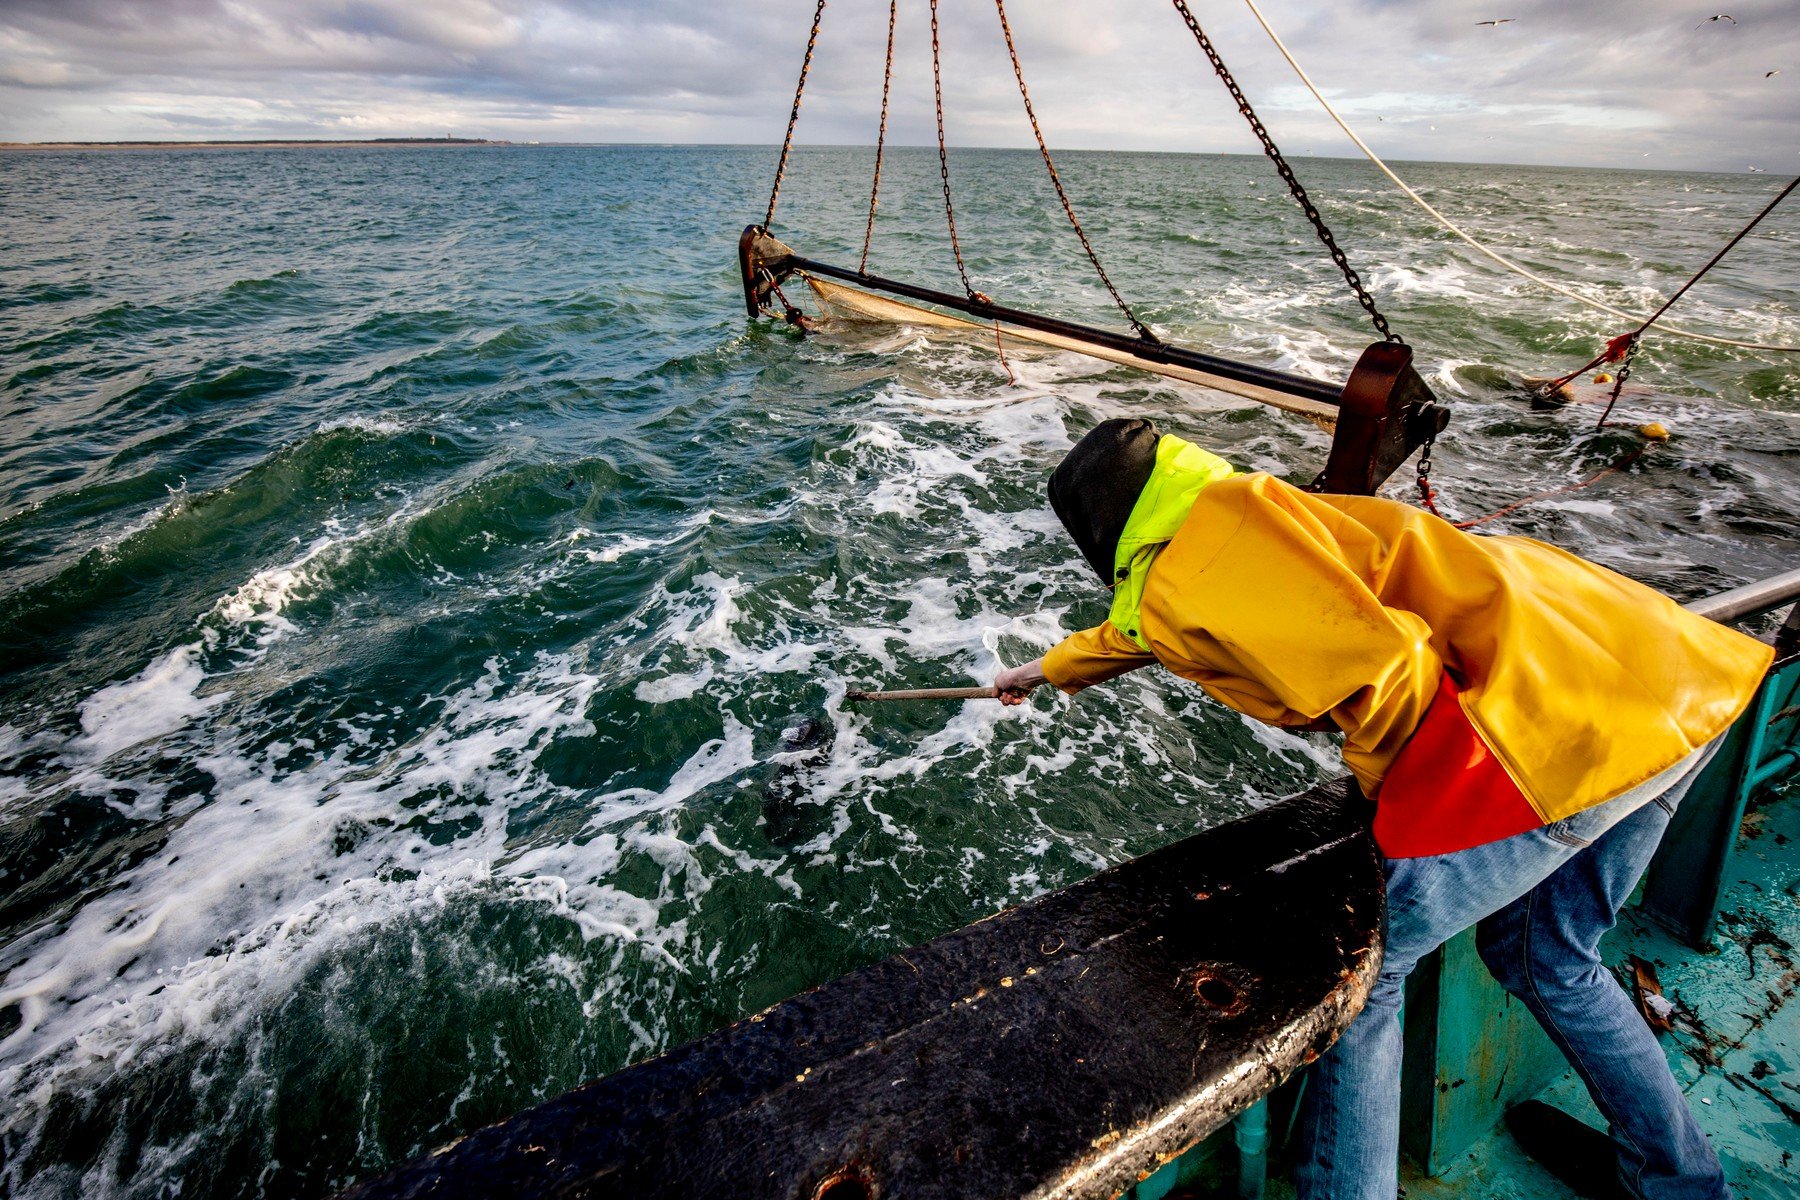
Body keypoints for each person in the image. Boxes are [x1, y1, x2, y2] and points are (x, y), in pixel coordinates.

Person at [991, 418, 1772, 1200]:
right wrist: (1050, 668)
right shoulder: (1251, 510)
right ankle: (1683, 1183)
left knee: (1360, 973)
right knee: (1551, 957)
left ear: (1101, 531)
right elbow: (1149, 623)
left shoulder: (1184, 582)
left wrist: (1382, 796)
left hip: (1555, 744)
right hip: (1669, 689)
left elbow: (1393, 673)